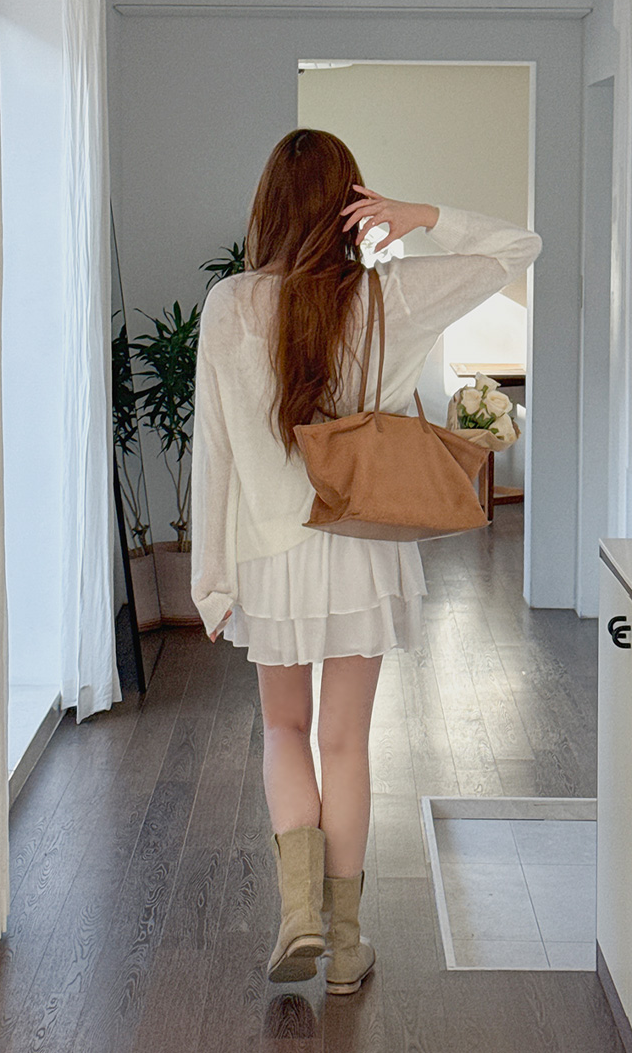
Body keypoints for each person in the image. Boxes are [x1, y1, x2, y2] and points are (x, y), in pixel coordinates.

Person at [190, 128, 542, 994]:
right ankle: (346, 946)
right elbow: (519, 247)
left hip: (272, 556)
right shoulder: (389, 297)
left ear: (266, 207)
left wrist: (212, 581)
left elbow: (215, 454)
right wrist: (420, 214)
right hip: (363, 556)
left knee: (285, 730)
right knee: (346, 742)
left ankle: (298, 916)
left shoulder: (229, 305)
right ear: (349, 203)